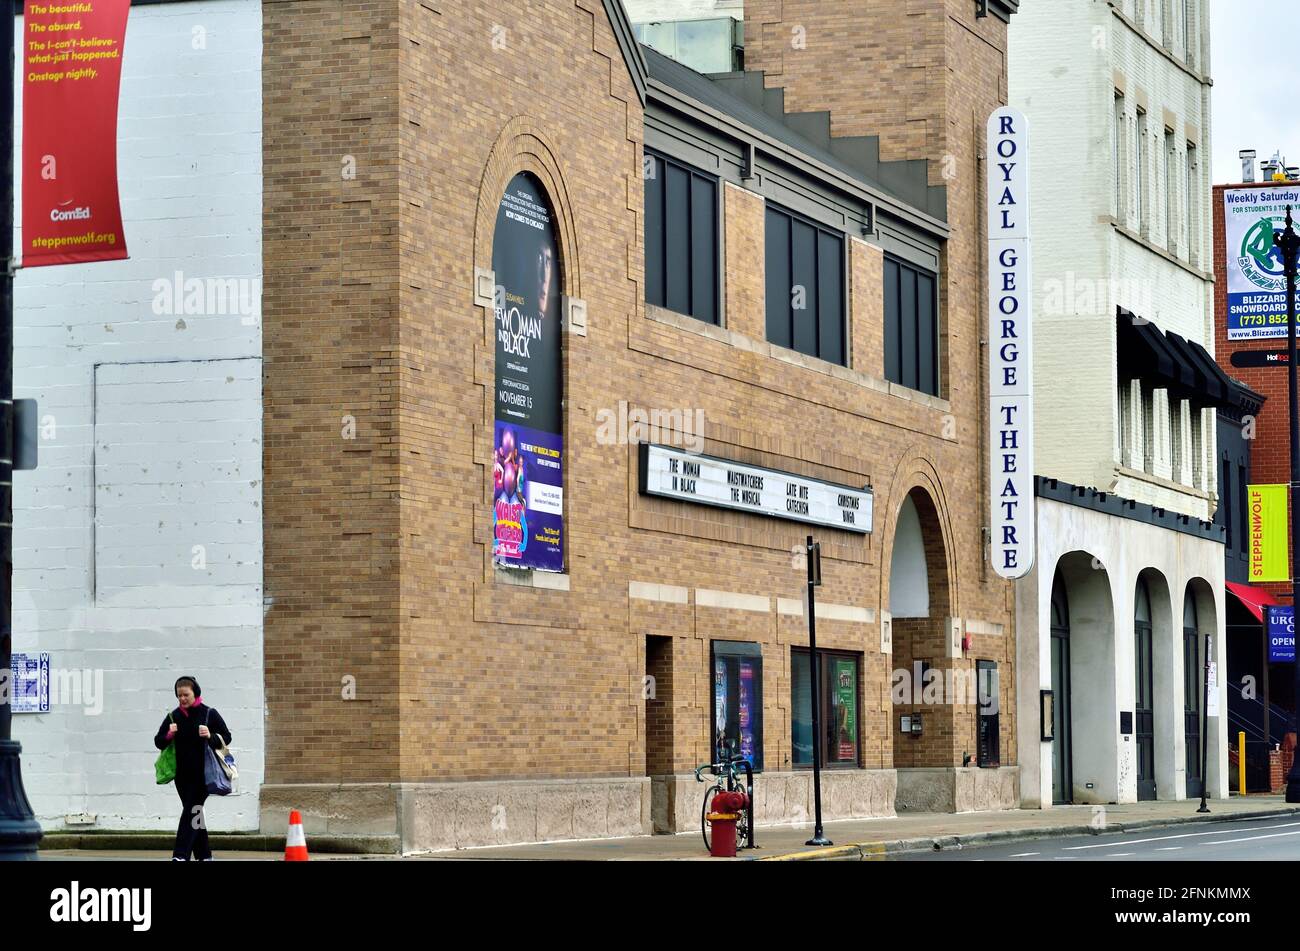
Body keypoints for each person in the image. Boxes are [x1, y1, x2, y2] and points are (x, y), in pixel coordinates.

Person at [153, 676, 231, 861]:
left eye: (185, 694)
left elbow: (226, 737)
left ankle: (180, 856)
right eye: (179, 695)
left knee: (191, 810)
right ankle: (205, 855)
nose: (182, 699)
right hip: (182, 776)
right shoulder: (174, 716)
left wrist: (210, 735)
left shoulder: (208, 713)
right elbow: (158, 742)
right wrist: (169, 734)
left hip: (203, 775)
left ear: (195, 693)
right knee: (195, 812)